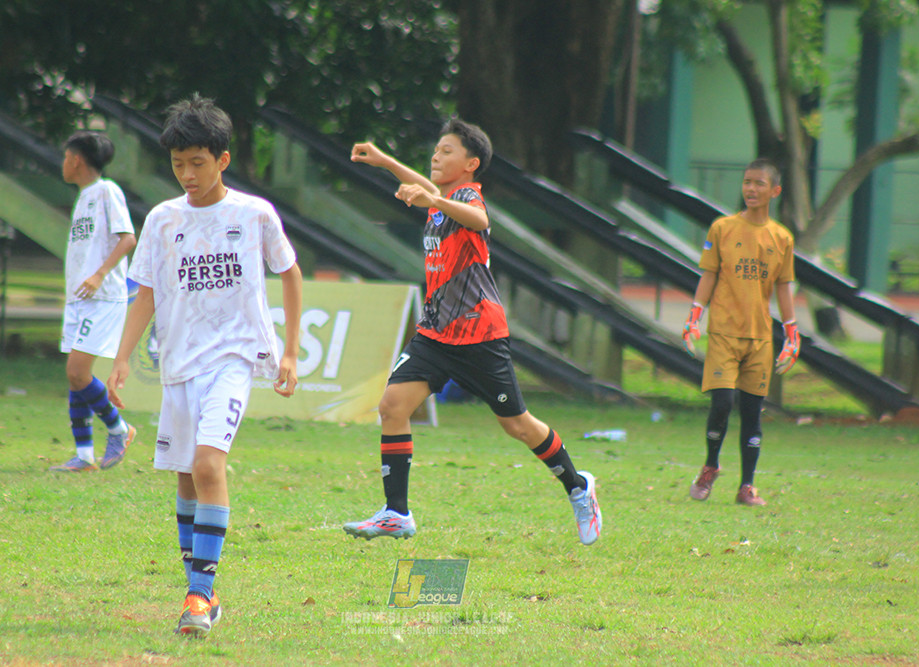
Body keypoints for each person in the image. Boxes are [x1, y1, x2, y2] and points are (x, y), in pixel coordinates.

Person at [343, 119, 601, 545]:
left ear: (471, 164)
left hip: (479, 336)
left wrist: (431, 197)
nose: (436, 155)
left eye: (447, 151)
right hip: (435, 335)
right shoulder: (442, 199)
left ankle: (578, 486)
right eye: (436, 149)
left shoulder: (467, 199)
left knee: (518, 426)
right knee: (392, 406)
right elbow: (428, 189)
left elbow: (479, 219)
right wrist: (386, 162)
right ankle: (396, 513)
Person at [106, 94, 303, 637]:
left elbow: (289, 272)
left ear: (223, 159)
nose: (187, 175)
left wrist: (289, 350)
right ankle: (204, 591)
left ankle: (197, 595)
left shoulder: (254, 214)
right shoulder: (163, 220)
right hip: (179, 364)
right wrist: (121, 359)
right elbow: (145, 292)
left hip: (234, 358)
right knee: (187, 478)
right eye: (178, 164)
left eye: (197, 162)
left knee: (209, 466)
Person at [683, 158, 800, 507]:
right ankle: (710, 466)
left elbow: (783, 286)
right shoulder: (722, 228)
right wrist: (694, 316)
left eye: (759, 183)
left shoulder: (782, 237)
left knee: (752, 412)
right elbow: (709, 274)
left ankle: (746, 486)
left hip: (760, 337)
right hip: (723, 333)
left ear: (775, 191)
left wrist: (792, 332)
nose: (750, 188)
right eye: (747, 182)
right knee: (722, 403)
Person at [50, 131, 137, 472]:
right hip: (79, 298)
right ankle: (84, 455)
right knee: (75, 377)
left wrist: (99, 274)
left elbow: (128, 238)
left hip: (102, 297)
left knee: (77, 371)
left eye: (65, 157)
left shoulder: (106, 191)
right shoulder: (84, 197)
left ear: (76, 160)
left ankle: (119, 429)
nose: (63, 163)